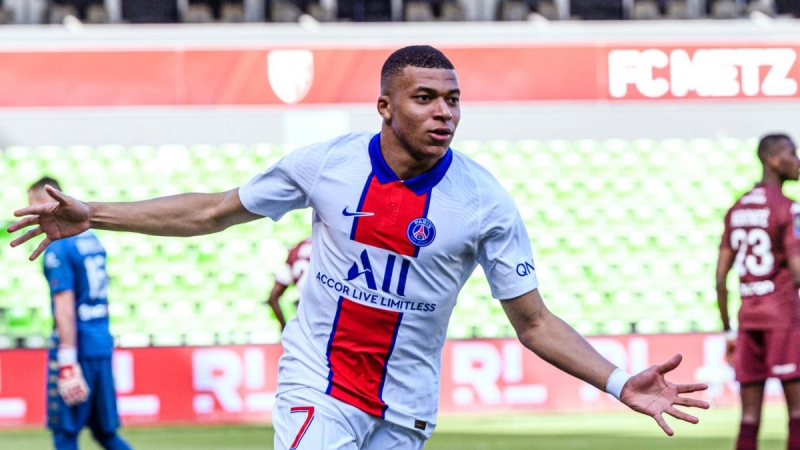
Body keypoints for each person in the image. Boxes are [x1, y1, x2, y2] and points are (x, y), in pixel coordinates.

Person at [9, 46, 708, 449]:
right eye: (425, 98)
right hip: (319, 382)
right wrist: (95, 214)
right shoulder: (326, 166)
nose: (444, 112)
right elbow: (215, 211)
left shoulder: (485, 202)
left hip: (406, 404)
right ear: (385, 106)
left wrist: (618, 381)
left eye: (453, 99)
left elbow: (534, 322)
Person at [27, 177, 132, 450]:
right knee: (105, 432)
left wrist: (66, 359)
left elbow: (64, 303)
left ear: (45, 203)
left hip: (77, 346)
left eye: (32, 206)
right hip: (100, 342)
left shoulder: (59, 245)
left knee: (65, 433)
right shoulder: (92, 239)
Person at [716, 133, 800, 450]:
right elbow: (797, 272)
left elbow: (720, 277)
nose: (797, 161)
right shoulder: (788, 209)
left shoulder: (737, 208)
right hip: (783, 318)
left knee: (749, 417)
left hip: (748, 319)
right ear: (773, 160)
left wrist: (728, 329)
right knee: (798, 413)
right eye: (792, 154)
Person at [266, 236, 312, 330]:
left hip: (304, 309)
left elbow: (273, 297)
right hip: (329, 308)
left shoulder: (297, 248)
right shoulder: (333, 244)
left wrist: (284, 327)